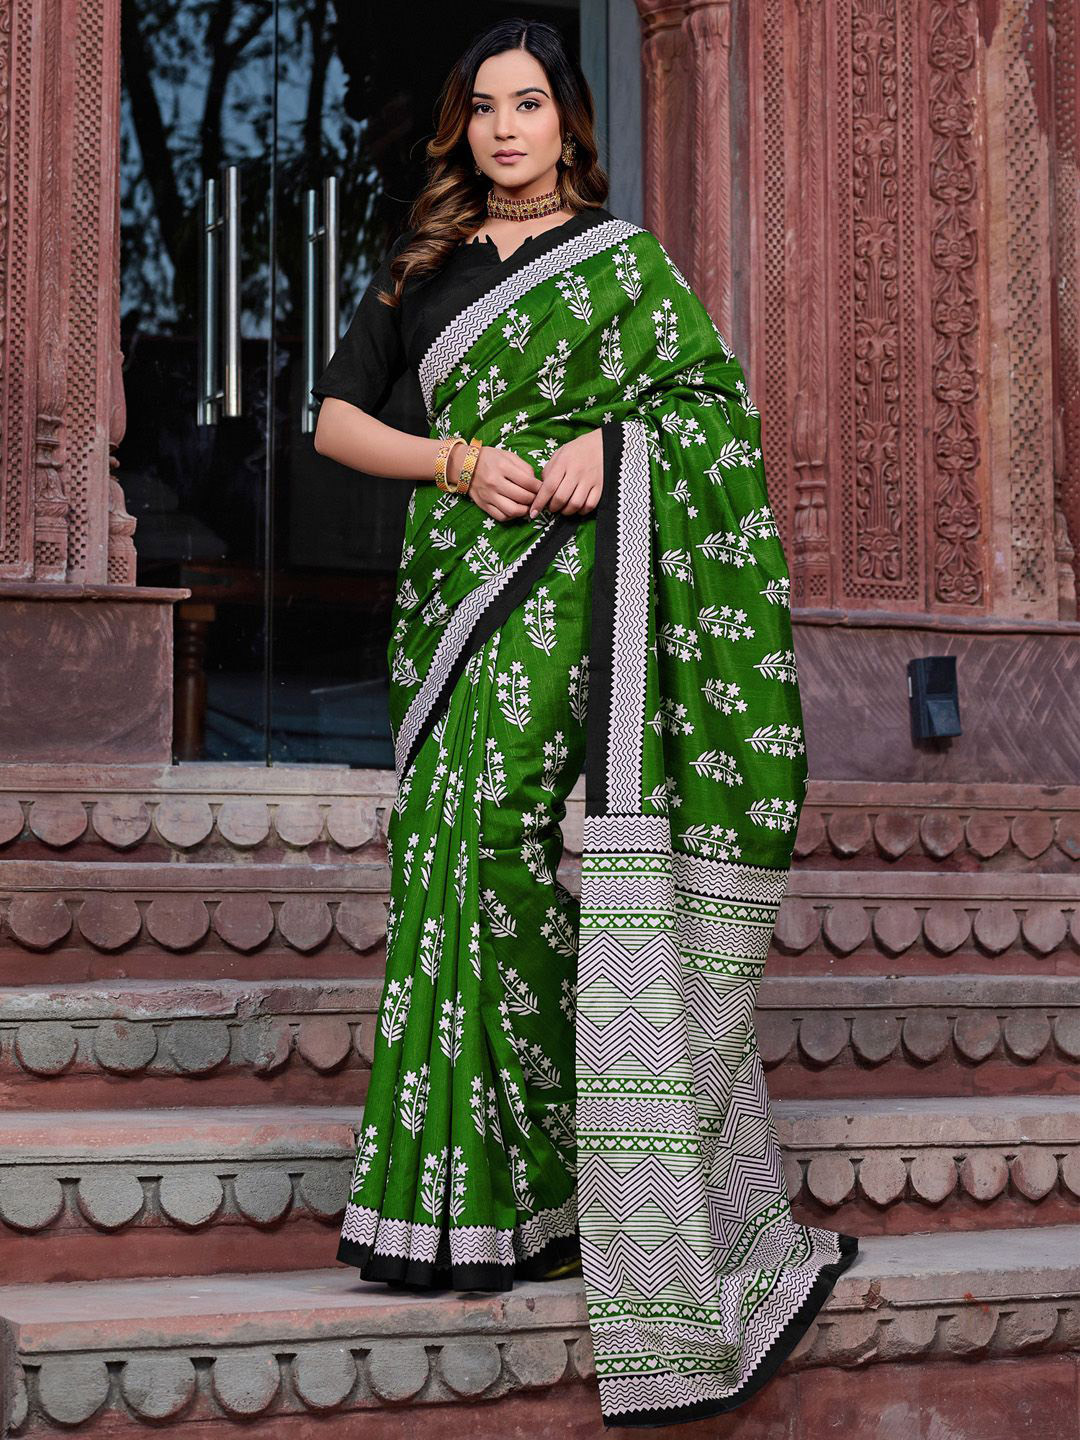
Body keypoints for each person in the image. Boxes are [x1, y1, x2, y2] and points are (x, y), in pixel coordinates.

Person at [311, 17, 859, 1430]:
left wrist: (610, 450)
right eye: (484, 109)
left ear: (569, 124)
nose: (506, 130)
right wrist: (456, 461)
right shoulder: (423, 270)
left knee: (511, 844)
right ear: (462, 129)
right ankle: (483, 1203)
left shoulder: (623, 265)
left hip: (579, 597)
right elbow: (333, 422)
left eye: (530, 105)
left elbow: (711, 418)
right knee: (454, 861)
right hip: (453, 595)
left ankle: (593, 1179)